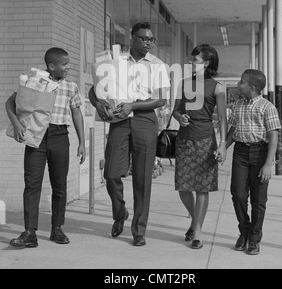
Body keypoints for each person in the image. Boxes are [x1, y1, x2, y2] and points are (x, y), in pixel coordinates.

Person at [89, 21, 170, 247]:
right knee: (112, 173)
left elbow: (161, 99)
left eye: (151, 39)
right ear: (132, 38)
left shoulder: (157, 65)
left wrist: (133, 106)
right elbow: (93, 90)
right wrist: (98, 104)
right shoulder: (114, 62)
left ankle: (139, 229)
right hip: (119, 121)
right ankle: (120, 213)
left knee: (143, 178)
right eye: (144, 38)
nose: (149, 43)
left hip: (145, 119)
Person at [5, 47, 86, 249]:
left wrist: (82, 142)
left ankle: (57, 228)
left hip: (60, 136)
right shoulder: (35, 83)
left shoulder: (71, 87)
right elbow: (10, 102)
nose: (68, 68)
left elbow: (76, 113)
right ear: (52, 66)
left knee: (59, 185)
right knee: (32, 184)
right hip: (37, 137)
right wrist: (15, 124)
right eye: (65, 64)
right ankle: (29, 232)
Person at [173, 44, 227, 249]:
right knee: (183, 187)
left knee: (202, 188)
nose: (191, 63)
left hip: (206, 140)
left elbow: (222, 117)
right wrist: (180, 117)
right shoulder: (183, 83)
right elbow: (175, 111)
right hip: (184, 139)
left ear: (206, 63)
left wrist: (222, 144)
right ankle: (195, 221)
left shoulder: (217, 86)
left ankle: (198, 232)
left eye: (194, 60)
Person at [226, 69, 281, 255]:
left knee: (259, 200)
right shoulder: (237, 105)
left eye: (241, 82)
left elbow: (274, 136)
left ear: (253, 87)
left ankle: (255, 238)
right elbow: (233, 131)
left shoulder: (267, 107)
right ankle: (244, 231)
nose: (238, 85)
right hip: (240, 153)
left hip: (260, 153)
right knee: (238, 194)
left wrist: (268, 164)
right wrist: (222, 148)